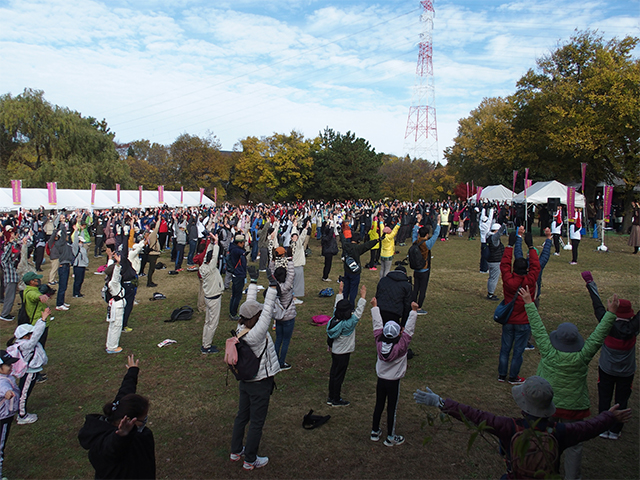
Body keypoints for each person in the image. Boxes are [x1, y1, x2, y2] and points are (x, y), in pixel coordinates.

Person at [413, 376, 632, 480]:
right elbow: (589, 428)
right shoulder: (560, 432)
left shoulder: (509, 427)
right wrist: (609, 417)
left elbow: (475, 416)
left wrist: (441, 403)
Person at [520, 285, 619, 480]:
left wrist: (529, 303)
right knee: (575, 445)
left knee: (545, 438)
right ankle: (572, 477)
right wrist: (611, 314)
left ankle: (544, 470)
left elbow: (538, 329)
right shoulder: (583, 355)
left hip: (548, 405)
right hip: (574, 407)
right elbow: (598, 337)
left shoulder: (548, 351)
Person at [78, 354, 155, 479]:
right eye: (142, 420)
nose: (145, 422)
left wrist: (132, 371)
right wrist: (122, 437)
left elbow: (125, 391)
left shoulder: (119, 410)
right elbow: (113, 449)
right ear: (129, 421)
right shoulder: (106, 445)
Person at [581, 271, 638, 440]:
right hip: (626, 371)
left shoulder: (607, 323)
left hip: (606, 368)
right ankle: (615, 429)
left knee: (604, 397)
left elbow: (597, 304)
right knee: (622, 398)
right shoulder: (633, 328)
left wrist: (590, 283)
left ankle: (603, 426)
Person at [229, 282, 280, 471]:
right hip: (260, 383)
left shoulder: (240, 326)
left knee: (242, 415)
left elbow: (250, 305)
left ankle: (236, 451)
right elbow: (266, 311)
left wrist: (252, 284)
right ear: (257, 317)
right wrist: (272, 289)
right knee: (256, 422)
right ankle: (250, 460)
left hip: (245, 381)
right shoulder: (257, 333)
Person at [370, 296, 418, 447]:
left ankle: (374, 431)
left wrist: (375, 307)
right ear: (399, 334)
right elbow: (409, 330)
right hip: (393, 382)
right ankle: (390, 437)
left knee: (379, 405)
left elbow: (377, 324)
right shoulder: (402, 346)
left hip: (381, 379)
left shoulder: (378, 340)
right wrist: (414, 312)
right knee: (392, 408)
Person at [498, 231, 540, 384]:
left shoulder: (509, 280)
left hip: (509, 319)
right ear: (527, 269)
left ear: (513, 269)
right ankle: (513, 376)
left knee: (505, 348)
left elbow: (504, 265)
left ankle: (502, 375)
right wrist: (530, 246)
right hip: (523, 321)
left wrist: (510, 245)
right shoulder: (530, 279)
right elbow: (536, 265)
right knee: (518, 351)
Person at [326, 282, 366, 407]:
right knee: (339, 376)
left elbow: (335, 307)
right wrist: (363, 297)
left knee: (334, 373)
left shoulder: (334, 318)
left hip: (335, 351)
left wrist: (340, 292)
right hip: (343, 353)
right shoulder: (349, 323)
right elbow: (359, 312)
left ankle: (331, 396)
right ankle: (336, 399)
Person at [9, 307, 50, 425]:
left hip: (31, 370)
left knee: (23, 391)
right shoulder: (27, 345)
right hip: (29, 372)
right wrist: (42, 320)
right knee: (24, 393)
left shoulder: (24, 342)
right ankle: (22, 415)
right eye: (31, 334)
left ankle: (19, 410)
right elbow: (37, 334)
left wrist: (41, 320)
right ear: (26, 336)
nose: (34, 335)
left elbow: (36, 332)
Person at [199, 233, 224, 354]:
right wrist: (216, 243)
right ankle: (206, 346)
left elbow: (207, 257)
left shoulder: (203, 266)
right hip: (214, 298)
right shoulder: (211, 268)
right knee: (212, 323)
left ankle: (205, 343)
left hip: (208, 297)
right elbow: (214, 256)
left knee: (207, 322)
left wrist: (210, 242)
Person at [270, 257, 296, 370]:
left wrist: (272, 261)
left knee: (278, 339)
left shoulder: (274, 286)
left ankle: (275, 360)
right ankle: (281, 362)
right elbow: (291, 274)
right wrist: (290, 260)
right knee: (286, 340)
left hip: (279, 316)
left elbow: (270, 274)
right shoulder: (287, 286)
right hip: (289, 316)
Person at [411, 215, 441, 315]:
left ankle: (413, 304)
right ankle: (418, 308)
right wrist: (438, 222)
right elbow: (436, 234)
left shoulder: (415, 242)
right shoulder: (427, 244)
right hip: (424, 269)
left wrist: (418, 221)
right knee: (422, 289)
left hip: (416, 269)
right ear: (427, 235)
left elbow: (414, 232)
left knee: (415, 288)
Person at [340, 232, 378, 308]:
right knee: (353, 289)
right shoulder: (358, 248)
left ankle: (344, 303)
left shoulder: (346, 245)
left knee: (346, 288)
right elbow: (367, 245)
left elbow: (343, 240)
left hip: (347, 270)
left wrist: (340, 232)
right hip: (355, 272)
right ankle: (351, 306)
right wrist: (377, 240)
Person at [0, 350, 20, 480]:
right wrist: (7, 392)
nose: (11, 366)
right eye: (8, 365)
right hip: (2, 418)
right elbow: (3, 388)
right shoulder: (2, 382)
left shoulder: (6, 377)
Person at [104, 253, 126, 354]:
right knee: (116, 326)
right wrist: (118, 263)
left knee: (112, 326)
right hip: (117, 306)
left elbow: (110, 269)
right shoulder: (114, 283)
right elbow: (116, 273)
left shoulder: (108, 280)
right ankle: (113, 347)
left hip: (113, 305)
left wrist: (110, 259)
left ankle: (109, 345)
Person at [0, 228, 20, 321]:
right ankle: (4, 314)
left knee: (11, 298)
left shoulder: (9, 260)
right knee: (9, 298)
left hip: (13, 278)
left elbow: (16, 249)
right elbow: (4, 257)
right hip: (10, 279)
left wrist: (14, 241)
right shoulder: (5, 260)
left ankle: (6, 313)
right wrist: (11, 243)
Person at [228, 234, 248, 321]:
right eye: (242, 242)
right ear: (239, 243)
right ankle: (233, 313)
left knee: (234, 294)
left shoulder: (233, 249)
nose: (243, 244)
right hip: (239, 274)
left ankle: (232, 311)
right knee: (237, 295)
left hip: (235, 273)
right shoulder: (238, 251)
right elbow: (243, 263)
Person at [485, 223, 504, 301]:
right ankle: (490, 294)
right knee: (494, 278)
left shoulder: (489, 237)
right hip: (495, 260)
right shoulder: (494, 238)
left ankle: (490, 293)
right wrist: (504, 225)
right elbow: (499, 233)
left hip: (491, 259)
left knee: (491, 277)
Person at [71, 223, 89, 298]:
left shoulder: (82, 248)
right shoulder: (75, 248)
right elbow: (75, 240)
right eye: (81, 242)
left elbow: (81, 237)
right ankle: (76, 293)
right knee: (77, 280)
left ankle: (78, 292)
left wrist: (82, 230)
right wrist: (76, 231)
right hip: (78, 266)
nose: (82, 243)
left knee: (81, 280)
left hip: (83, 265)